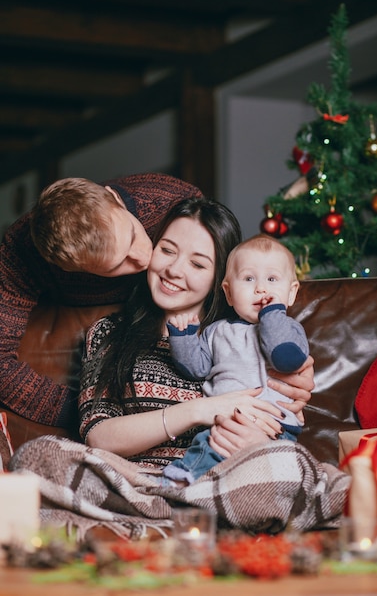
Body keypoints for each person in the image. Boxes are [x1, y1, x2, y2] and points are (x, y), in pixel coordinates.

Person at [78, 198, 313, 470]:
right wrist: (200, 410)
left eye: (198, 264)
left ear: (221, 279)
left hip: (231, 477)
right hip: (139, 480)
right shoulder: (110, 332)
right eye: (167, 250)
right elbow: (98, 436)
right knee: (45, 452)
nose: (174, 270)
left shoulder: (242, 341)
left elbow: (282, 407)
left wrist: (260, 448)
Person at [0, 173, 203, 430]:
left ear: (114, 197)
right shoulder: (21, 253)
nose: (143, 257)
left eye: (131, 235)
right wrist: (89, 412)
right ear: (75, 270)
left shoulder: (172, 199)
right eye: (118, 265)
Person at [161, 234, 309, 486]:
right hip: (225, 420)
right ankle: (187, 479)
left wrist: (273, 313)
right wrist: (182, 336)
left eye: (272, 279)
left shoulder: (289, 328)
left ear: (291, 293)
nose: (261, 289)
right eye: (249, 279)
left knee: (268, 474)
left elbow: (285, 359)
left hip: (274, 427)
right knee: (209, 445)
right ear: (228, 293)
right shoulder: (216, 331)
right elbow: (196, 368)